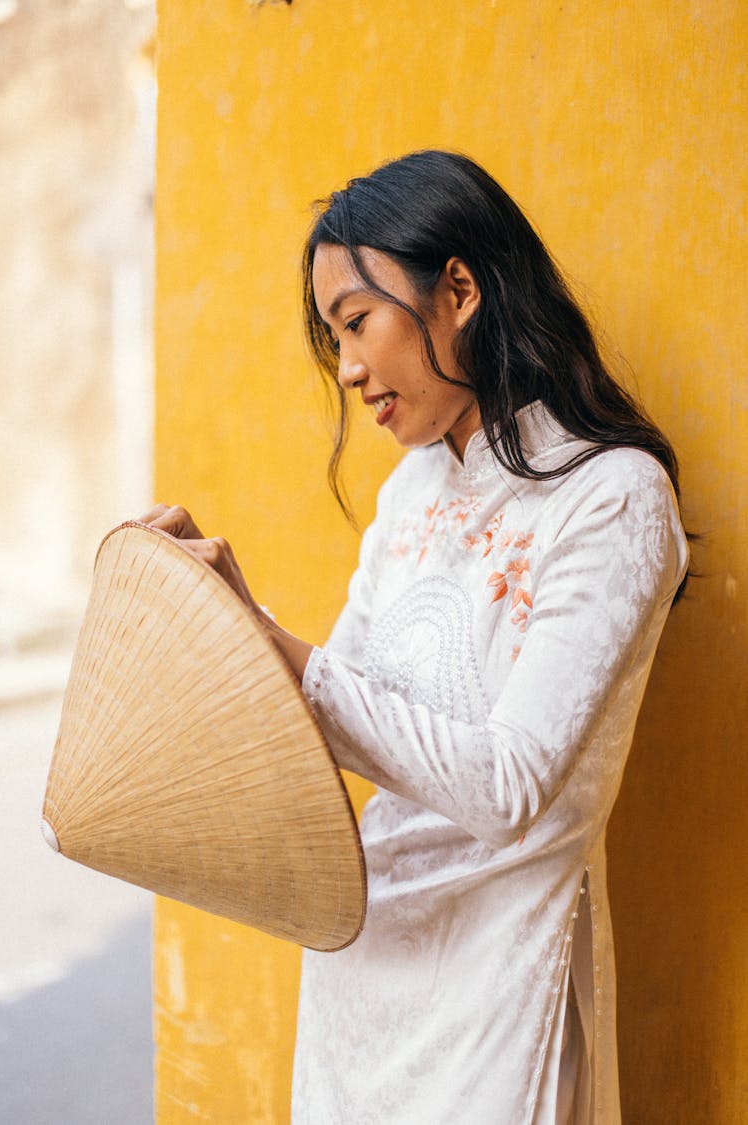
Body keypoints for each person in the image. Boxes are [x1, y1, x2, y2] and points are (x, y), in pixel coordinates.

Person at [141, 151, 689, 1124]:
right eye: (334, 337)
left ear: (460, 290)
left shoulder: (611, 498)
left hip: (499, 998)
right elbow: (325, 716)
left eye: (357, 322)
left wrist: (273, 642)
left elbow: (508, 784)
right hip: (361, 984)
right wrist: (202, 629)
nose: (347, 367)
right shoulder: (413, 491)